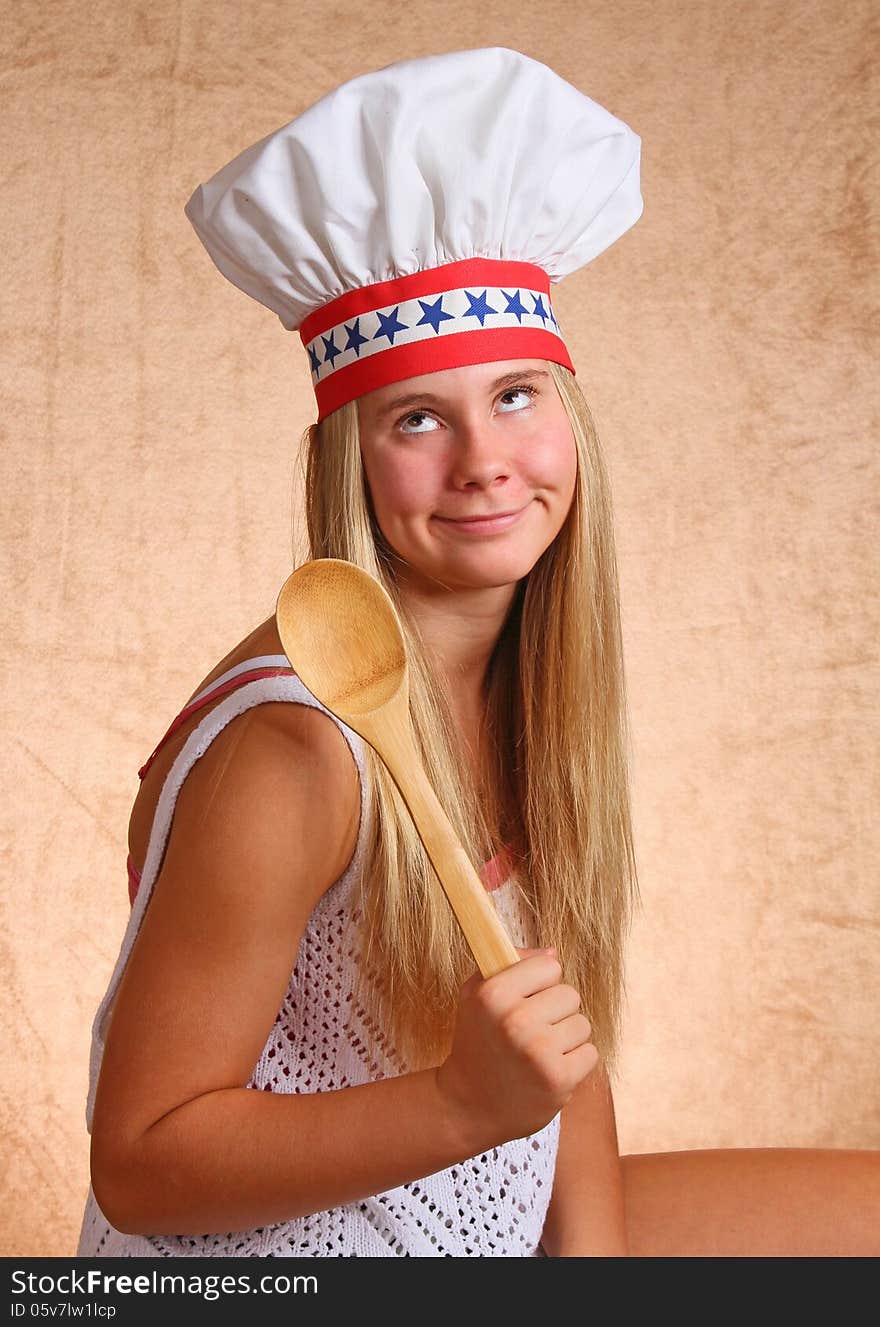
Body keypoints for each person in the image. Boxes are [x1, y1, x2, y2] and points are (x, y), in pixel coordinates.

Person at [76, 46, 642, 1258]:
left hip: (476, 1234)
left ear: (571, 414)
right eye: (419, 417)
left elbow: (559, 1060)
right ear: (352, 460)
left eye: (518, 396)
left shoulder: (531, 689)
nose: (485, 460)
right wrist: (457, 1103)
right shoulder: (293, 751)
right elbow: (142, 1166)